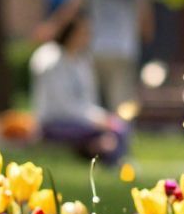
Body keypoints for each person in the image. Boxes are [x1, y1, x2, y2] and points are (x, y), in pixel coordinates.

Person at [31, 12, 130, 164]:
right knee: (107, 135)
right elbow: (62, 105)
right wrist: (95, 120)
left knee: (119, 128)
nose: (87, 37)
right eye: (83, 33)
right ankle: (109, 162)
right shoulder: (52, 60)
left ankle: (113, 161)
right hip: (56, 122)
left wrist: (103, 118)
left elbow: (88, 100)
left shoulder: (81, 62)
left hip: (80, 120)